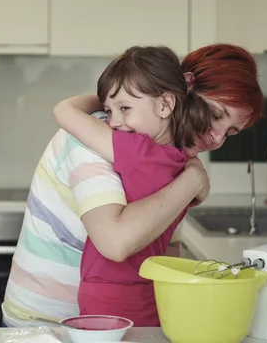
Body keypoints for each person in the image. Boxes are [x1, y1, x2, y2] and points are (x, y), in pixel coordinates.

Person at [1, 43, 264, 328]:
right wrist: (194, 180)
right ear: (183, 89)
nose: (216, 139)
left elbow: (167, 250)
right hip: (45, 325)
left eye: (231, 132)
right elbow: (115, 242)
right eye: (215, 115)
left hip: (119, 326)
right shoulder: (96, 136)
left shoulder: (175, 156)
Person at [52, 45, 215, 326]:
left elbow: (64, 110)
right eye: (108, 111)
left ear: (165, 105)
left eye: (125, 108)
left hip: (107, 296)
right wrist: (119, 96)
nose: (114, 122)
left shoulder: (137, 150)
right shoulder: (182, 164)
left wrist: (102, 99)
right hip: (152, 293)